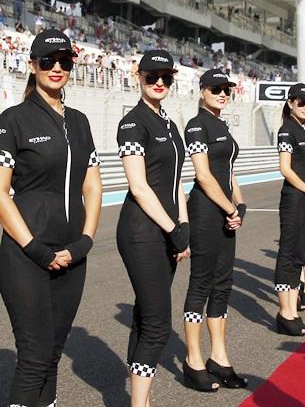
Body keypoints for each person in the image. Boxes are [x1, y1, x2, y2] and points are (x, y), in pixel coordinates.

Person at [0, 29, 102, 407]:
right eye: (47, 61)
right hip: (25, 256)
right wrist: (36, 249)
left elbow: (93, 188)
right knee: (34, 357)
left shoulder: (80, 121)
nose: (56, 68)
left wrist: (85, 242)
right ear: (32, 65)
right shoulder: (13, 120)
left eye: (64, 61)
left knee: (53, 356)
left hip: (74, 255)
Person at [116, 49, 189, 407]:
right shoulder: (132, 122)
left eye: (166, 77)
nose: (159, 82)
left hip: (169, 229)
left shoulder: (171, 124)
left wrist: (184, 226)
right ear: (139, 77)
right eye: (152, 76)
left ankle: (139, 399)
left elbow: (177, 182)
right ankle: (139, 404)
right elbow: (138, 187)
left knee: (146, 316)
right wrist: (172, 228)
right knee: (159, 323)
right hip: (141, 231)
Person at [181, 69, 248, 392]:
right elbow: (204, 177)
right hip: (206, 212)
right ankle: (194, 361)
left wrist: (241, 205)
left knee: (223, 284)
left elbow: (230, 172)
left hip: (226, 212)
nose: (223, 93)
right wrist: (230, 208)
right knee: (201, 284)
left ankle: (219, 359)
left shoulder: (223, 125)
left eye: (227, 89)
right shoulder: (196, 125)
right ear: (203, 90)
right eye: (216, 88)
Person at [274, 83, 305, 336]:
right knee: (288, 254)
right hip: (294, 198)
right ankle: (284, 313)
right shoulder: (287, 130)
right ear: (290, 103)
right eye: (301, 102)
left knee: (300, 253)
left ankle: (293, 311)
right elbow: (285, 168)